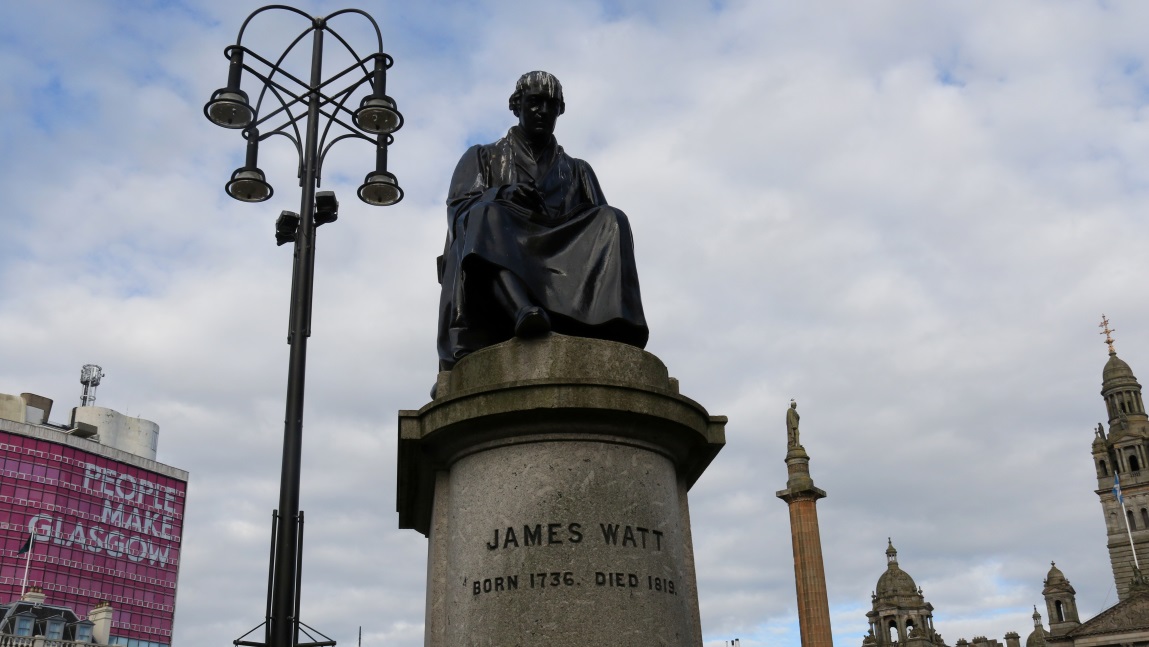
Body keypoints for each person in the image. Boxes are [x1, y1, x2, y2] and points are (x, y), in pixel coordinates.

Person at [436, 71, 648, 370]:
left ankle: (609, 326)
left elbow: (597, 228)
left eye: (552, 105)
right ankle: (522, 309)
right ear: (516, 105)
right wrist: (503, 194)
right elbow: (458, 211)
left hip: (560, 252)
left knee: (612, 218)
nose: (543, 111)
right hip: (506, 243)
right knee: (484, 212)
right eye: (535, 102)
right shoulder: (483, 156)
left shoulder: (576, 170)